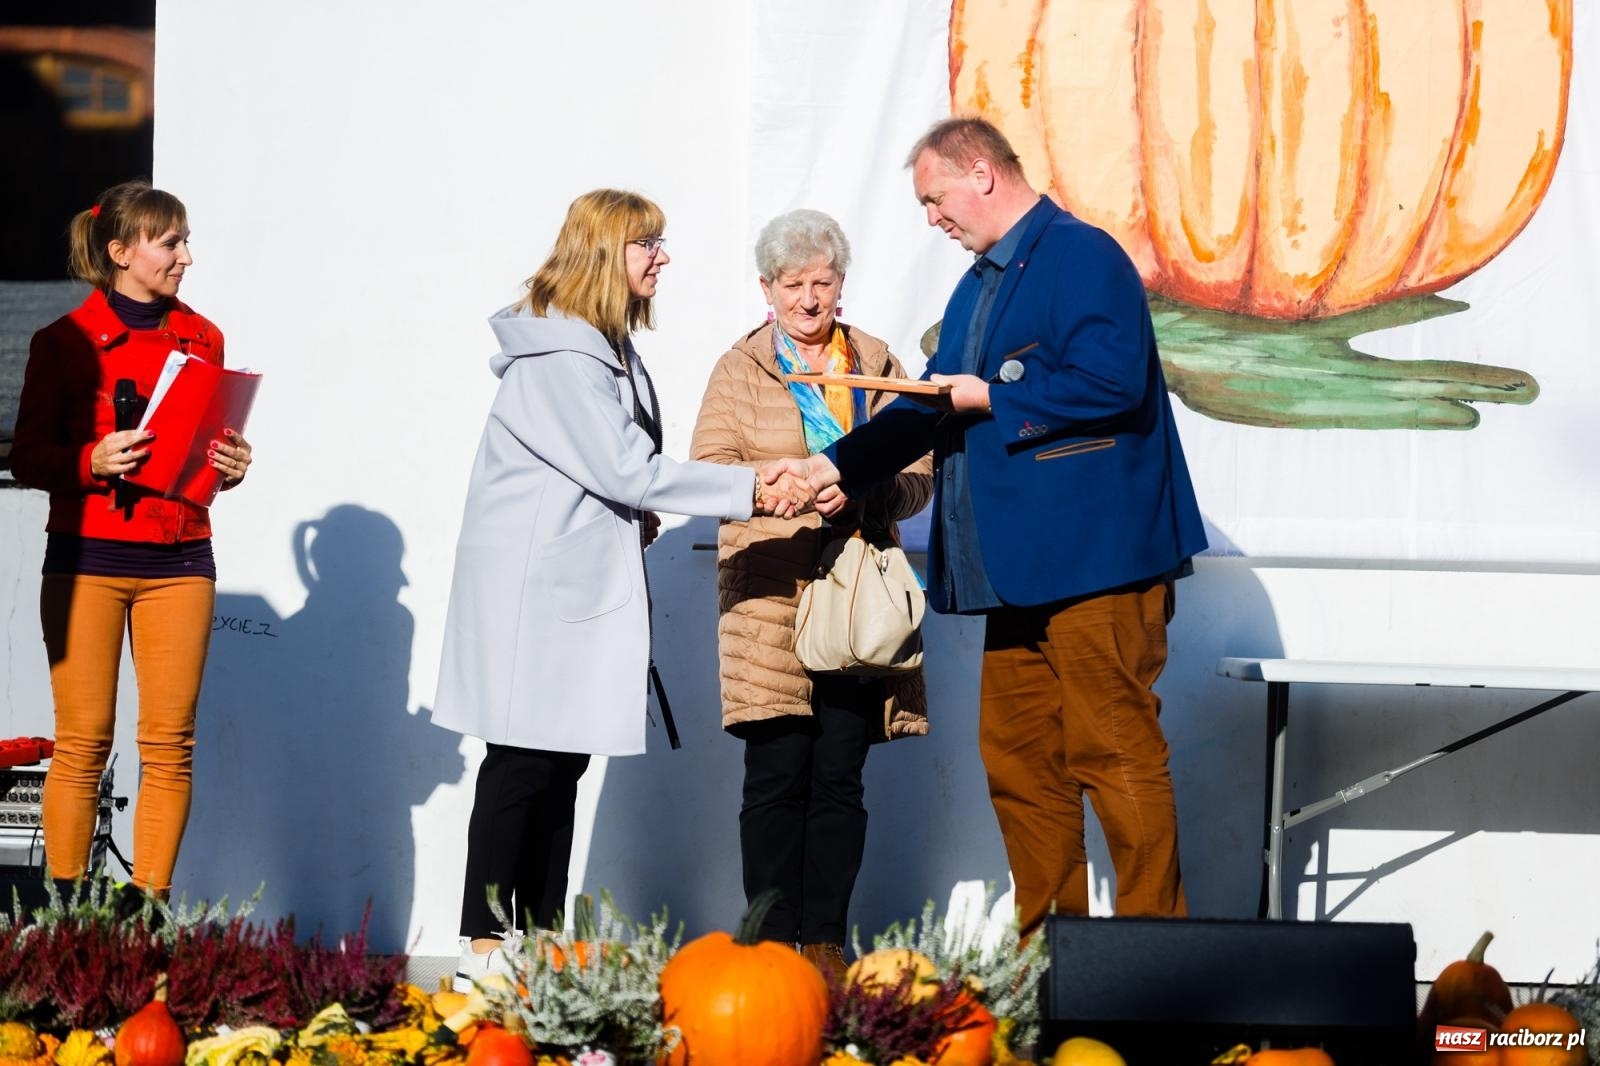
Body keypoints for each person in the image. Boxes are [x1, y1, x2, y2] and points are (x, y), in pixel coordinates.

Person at [766, 117, 1208, 938]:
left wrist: (995, 398)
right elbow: (931, 407)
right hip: (1013, 576)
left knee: (1114, 755)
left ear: (982, 173)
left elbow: (1113, 385)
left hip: (1097, 567)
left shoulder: (1082, 256)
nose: (932, 219)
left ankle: (1161, 958)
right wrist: (830, 468)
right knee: (1020, 764)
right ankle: (1050, 959)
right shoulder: (979, 283)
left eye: (935, 199)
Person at [432, 189, 810, 992]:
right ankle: (486, 945)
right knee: (523, 763)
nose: (662, 257)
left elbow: (610, 476)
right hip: (535, 594)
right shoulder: (562, 359)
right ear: (607, 253)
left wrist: (629, 511)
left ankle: (536, 938)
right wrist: (752, 488)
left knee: (557, 762)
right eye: (648, 244)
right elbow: (624, 466)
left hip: (571, 584)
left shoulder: (603, 350)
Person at [690, 209, 934, 980]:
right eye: (792, 283)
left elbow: (920, 472)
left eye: (821, 282)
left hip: (854, 597)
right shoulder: (741, 368)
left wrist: (859, 492)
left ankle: (825, 942)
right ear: (766, 288)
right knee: (774, 777)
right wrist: (778, 490)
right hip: (768, 597)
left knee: (838, 773)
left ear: (841, 283)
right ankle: (768, 947)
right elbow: (710, 467)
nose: (807, 297)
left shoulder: (875, 359)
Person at [10, 180, 254, 898]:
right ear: (120, 251)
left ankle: (145, 917)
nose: (185, 256)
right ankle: (63, 917)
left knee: (169, 747)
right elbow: (26, 455)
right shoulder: (60, 344)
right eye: (169, 242)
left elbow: (203, 450)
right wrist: (90, 458)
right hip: (86, 560)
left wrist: (230, 467)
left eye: (183, 240)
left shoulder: (203, 337)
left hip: (181, 559)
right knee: (82, 745)